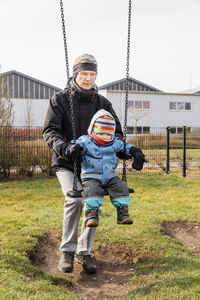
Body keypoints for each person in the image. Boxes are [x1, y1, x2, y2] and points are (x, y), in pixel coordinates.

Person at [43, 53, 145, 275]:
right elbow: (50, 131)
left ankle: (83, 251)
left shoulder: (102, 103)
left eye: (92, 74)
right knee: (76, 199)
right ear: (75, 74)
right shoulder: (59, 100)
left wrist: (131, 152)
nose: (88, 78)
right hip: (67, 162)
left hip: (95, 166)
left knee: (94, 203)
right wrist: (65, 147)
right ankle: (67, 251)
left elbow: (115, 134)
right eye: (84, 74)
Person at [66, 109, 146, 227]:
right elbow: (73, 145)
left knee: (121, 186)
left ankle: (122, 214)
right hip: (91, 176)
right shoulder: (85, 141)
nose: (105, 137)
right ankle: (92, 215)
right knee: (92, 190)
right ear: (93, 130)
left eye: (109, 134)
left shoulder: (114, 142)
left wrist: (136, 152)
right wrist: (72, 149)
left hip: (110, 176)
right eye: (101, 133)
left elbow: (126, 147)